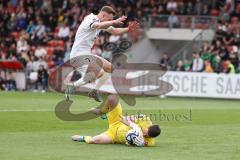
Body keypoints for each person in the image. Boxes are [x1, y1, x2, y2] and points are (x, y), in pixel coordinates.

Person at [66, 6, 139, 102]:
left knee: (110, 68)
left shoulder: (101, 22)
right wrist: (114, 22)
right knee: (99, 73)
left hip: (87, 55)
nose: (110, 21)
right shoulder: (91, 19)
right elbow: (99, 26)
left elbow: (115, 31)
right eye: (109, 19)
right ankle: (72, 87)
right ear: (103, 15)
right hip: (78, 56)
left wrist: (128, 29)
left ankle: (94, 91)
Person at [72, 95, 161, 147]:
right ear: (148, 126)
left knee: (94, 140)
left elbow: (134, 143)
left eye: (146, 136)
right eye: (145, 132)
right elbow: (127, 118)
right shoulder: (144, 119)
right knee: (112, 98)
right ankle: (101, 112)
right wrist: (131, 124)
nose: (144, 135)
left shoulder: (150, 142)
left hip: (113, 136)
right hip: (118, 121)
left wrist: (137, 143)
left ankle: (83, 138)